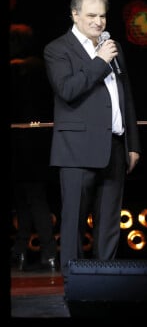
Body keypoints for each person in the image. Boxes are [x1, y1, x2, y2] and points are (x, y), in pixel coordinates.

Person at [44, 0, 141, 278]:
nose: (99, 22)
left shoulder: (114, 47)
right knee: (73, 222)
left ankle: (105, 282)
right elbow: (68, 90)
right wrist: (99, 61)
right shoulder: (57, 49)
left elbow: (125, 96)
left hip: (113, 146)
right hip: (76, 151)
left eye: (102, 16)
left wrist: (132, 143)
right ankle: (75, 286)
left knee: (109, 223)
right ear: (74, 15)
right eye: (91, 15)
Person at [10, 23, 58, 272]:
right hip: (36, 143)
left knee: (30, 198)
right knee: (27, 198)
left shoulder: (23, 68)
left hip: (24, 144)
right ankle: (28, 251)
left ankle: (43, 251)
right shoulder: (41, 68)